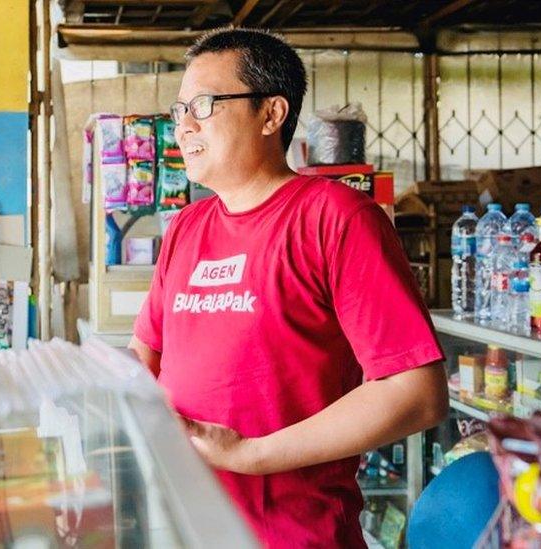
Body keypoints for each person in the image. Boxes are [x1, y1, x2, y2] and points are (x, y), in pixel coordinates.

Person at [128, 27, 449, 547]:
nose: (183, 126)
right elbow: (147, 349)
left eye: (203, 105)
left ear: (271, 114)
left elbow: (415, 392)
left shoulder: (337, 218)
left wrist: (249, 454)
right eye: (178, 110)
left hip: (293, 534)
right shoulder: (187, 227)